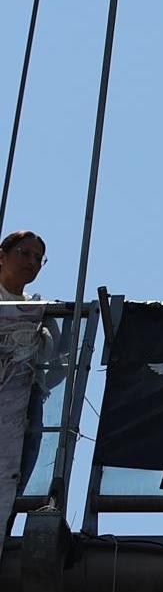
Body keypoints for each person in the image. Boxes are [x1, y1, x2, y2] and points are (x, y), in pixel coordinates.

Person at [0, 231, 49, 561]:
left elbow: (54, 365)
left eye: (38, 258)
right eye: (24, 253)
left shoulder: (40, 311)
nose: (31, 262)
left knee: (10, 480)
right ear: (2, 255)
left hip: (21, 412)